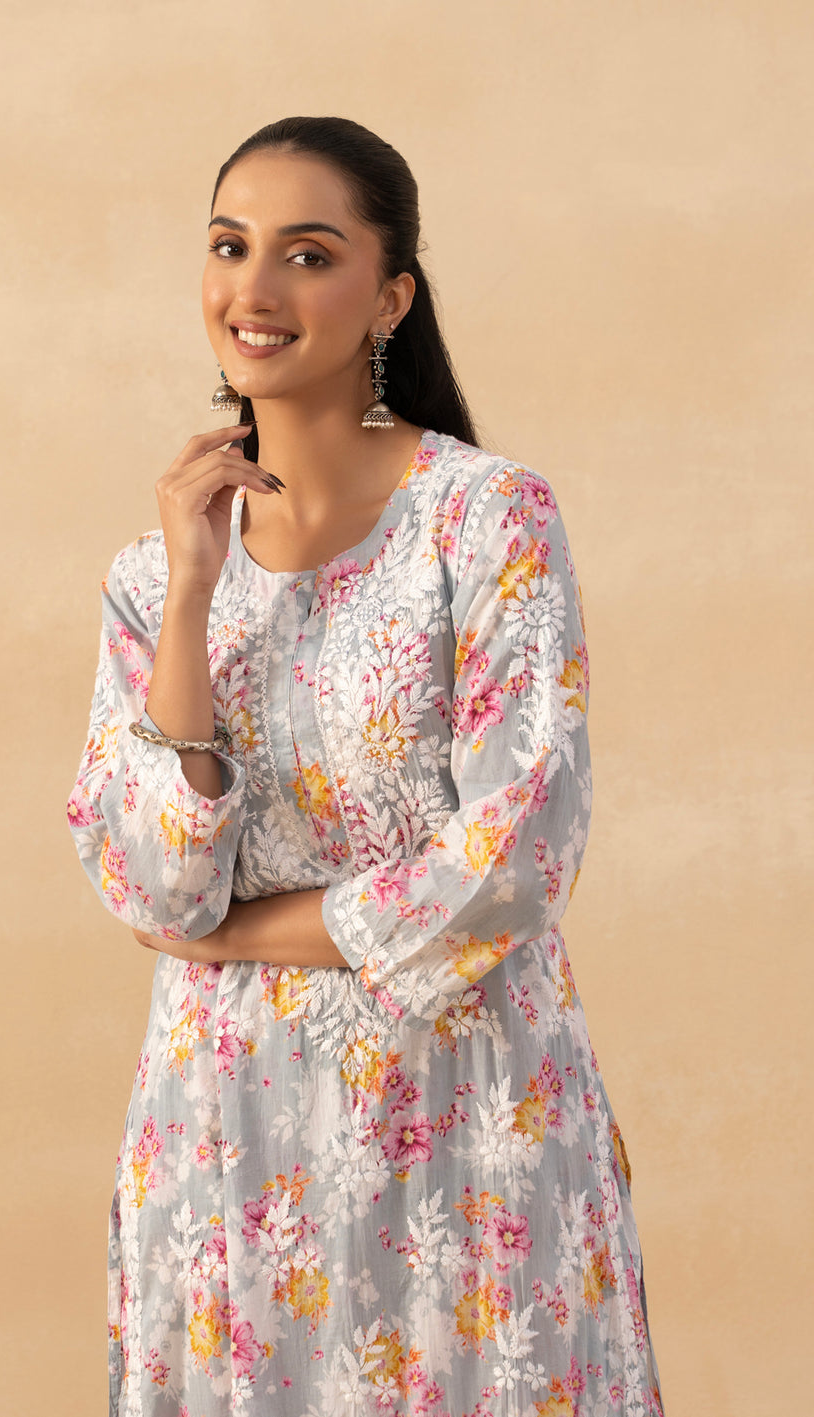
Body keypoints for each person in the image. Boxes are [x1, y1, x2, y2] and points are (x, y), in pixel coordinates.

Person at [67, 115, 664, 1417]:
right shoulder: (151, 577)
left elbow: (516, 855)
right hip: (226, 1144)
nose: (256, 287)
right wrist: (192, 597)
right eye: (230, 245)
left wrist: (247, 935)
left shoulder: (486, 521)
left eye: (308, 253)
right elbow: (155, 887)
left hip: (468, 1126)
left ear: (390, 296)